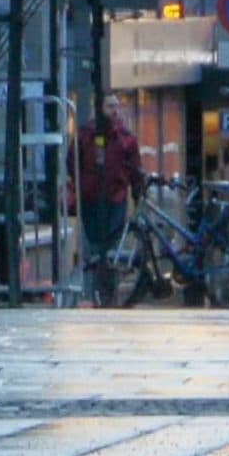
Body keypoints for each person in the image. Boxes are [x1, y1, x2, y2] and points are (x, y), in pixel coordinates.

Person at [75, 95, 147, 305]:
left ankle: (106, 291)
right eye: (109, 106)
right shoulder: (85, 135)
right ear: (99, 109)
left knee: (112, 246)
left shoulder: (126, 138)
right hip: (91, 199)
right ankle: (97, 290)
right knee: (96, 245)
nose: (114, 110)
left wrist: (137, 191)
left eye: (116, 106)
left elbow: (134, 168)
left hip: (115, 199)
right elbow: (73, 162)